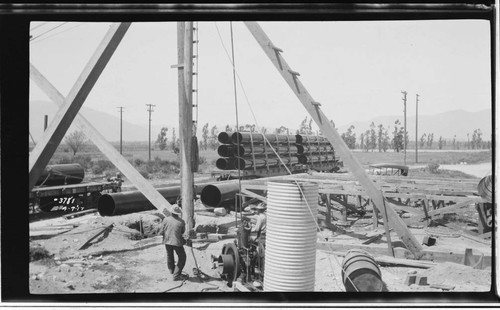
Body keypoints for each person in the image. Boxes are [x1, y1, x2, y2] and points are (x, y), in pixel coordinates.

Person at [160, 205, 187, 281]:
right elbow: (182, 232)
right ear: (178, 213)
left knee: (170, 255)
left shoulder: (165, 219)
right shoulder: (181, 221)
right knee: (182, 257)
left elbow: (161, 231)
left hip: (167, 241)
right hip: (176, 242)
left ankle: (171, 270)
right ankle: (176, 275)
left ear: (171, 212)